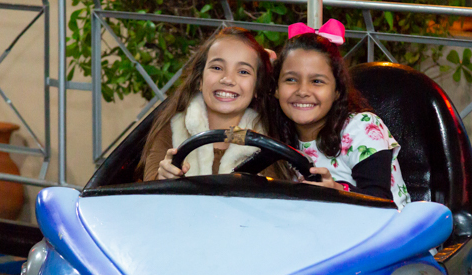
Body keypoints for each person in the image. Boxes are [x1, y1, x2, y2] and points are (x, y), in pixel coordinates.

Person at [268, 20, 411, 209]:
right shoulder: (273, 130)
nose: (302, 91)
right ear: (276, 88)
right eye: (291, 79)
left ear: (337, 91)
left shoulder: (362, 128)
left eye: (317, 81)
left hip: (387, 223)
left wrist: (337, 190)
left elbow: (380, 201)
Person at [136, 27, 276, 181]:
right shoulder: (172, 129)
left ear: (257, 87)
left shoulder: (269, 141)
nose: (228, 79)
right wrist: (163, 176)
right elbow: (150, 187)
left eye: (243, 71)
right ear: (200, 80)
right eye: (217, 68)